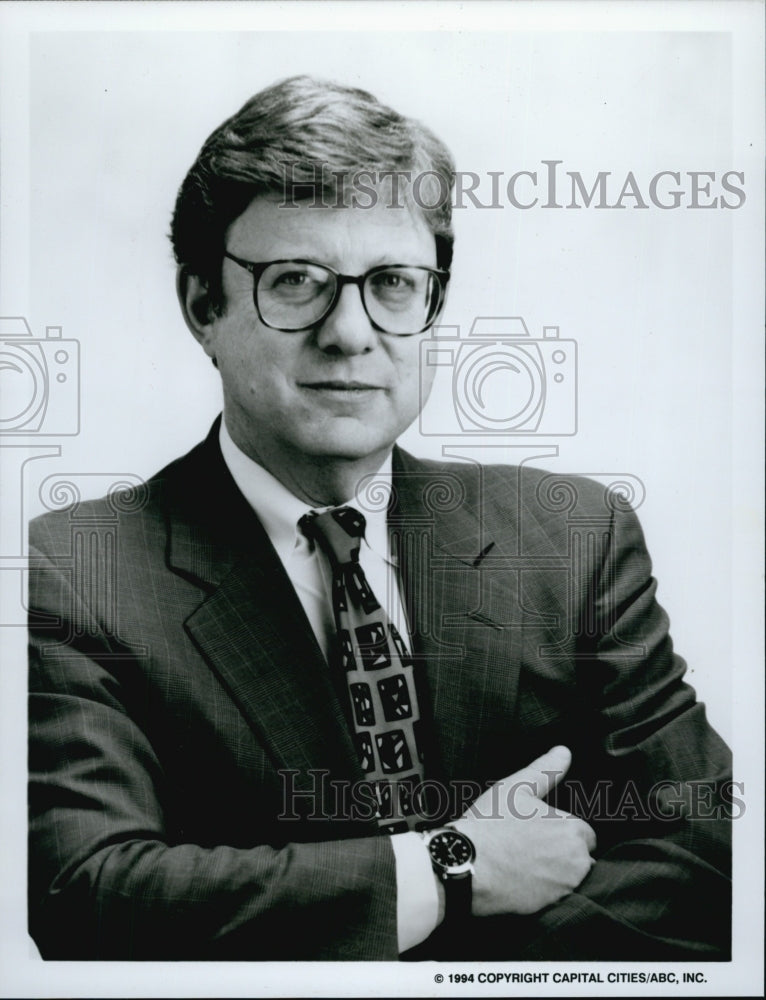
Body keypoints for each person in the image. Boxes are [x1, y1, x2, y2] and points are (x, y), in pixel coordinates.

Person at [28, 75, 731, 962]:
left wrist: (436, 961)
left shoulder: (575, 538)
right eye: (297, 282)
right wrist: (452, 868)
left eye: (393, 283)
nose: (351, 332)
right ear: (203, 305)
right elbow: (89, 894)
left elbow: (711, 854)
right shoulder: (74, 571)